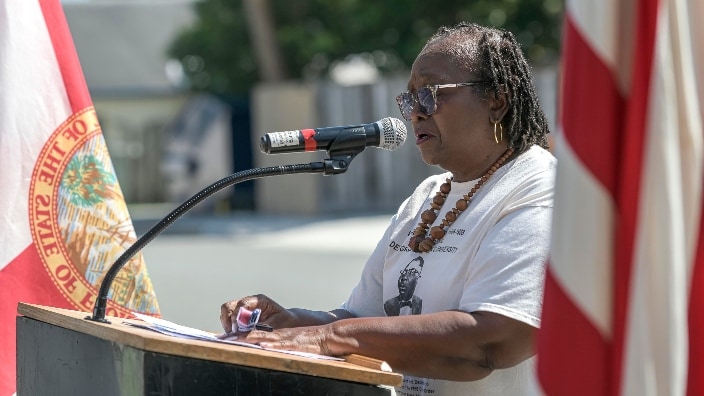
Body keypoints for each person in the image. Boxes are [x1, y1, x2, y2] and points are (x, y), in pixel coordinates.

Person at [220, 21, 555, 396]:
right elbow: (360, 319)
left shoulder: (538, 187)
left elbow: (490, 342)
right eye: (409, 99)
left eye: (429, 94)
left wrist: (327, 336)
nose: (415, 113)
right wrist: (289, 324)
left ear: (497, 100)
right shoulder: (427, 195)